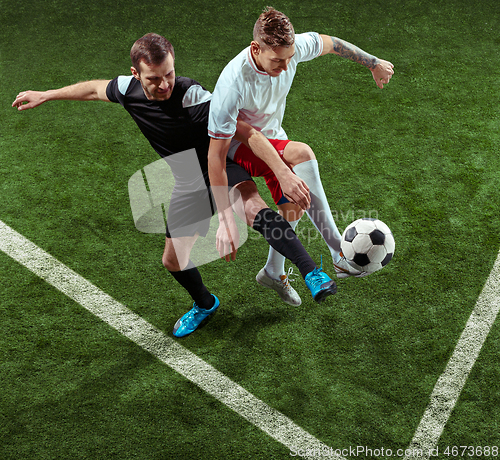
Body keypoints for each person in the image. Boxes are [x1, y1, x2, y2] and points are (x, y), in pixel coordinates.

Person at [12, 33, 338, 338]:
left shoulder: (192, 97)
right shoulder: (128, 91)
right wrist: (47, 94)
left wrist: (281, 172)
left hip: (220, 165)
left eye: (169, 73)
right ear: (136, 75)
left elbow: (247, 133)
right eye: (154, 78)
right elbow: (95, 89)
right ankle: (205, 303)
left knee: (256, 211)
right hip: (189, 181)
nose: (165, 83)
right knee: (172, 261)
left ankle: (312, 273)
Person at [208, 6, 394, 303]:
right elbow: (215, 156)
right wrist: (225, 218)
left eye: (290, 57)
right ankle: (338, 253)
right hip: (238, 148)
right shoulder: (232, 85)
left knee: (293, 205)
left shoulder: (290, 51)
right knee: (302, 153)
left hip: (272, 139)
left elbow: (332, 44)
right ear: (256, 49)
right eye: (278, 60)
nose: (285, 67)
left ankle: (272, 271)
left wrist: (373, 63)